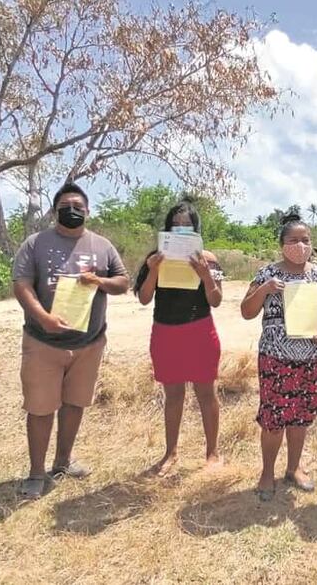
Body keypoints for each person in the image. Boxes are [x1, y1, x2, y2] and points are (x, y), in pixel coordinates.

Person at [12, 182, 129, 498]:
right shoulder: (35, 244)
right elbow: (22, 285)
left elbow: (122, 282)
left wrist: (100, 280)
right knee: (40, 408)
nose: (72, 210)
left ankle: (63, 461)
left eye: (78, 206)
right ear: (54, 211)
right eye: (65, 206)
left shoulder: (102, 245)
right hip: (43, 342)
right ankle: (36, 472)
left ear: (88, 211)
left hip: (89, 344)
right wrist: (43, 317)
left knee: (75, 403)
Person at [240, 213, 317, 500]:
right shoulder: (267, 274)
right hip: (276, 358)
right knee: (274, 418)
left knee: (301, 416)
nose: (300, 245)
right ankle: (266, 473)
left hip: (314, 357)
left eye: (305, 240)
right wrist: (265, 289)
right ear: (282, 244)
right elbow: (247, 311)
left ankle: (294, 468)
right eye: (293, 240)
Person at [134, 200, 224, 477]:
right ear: (168, 228)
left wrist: (205, 275)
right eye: (176, 225)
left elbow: (216, 300)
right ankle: (170, 453)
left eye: (187, 225)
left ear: (196, 229)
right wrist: (153, 270)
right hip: (165, 332)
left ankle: (212, 453)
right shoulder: (156, 257)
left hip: (200, 330)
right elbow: (144, 298)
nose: (181, 229)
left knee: (206, 394)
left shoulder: (208, 259)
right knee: (173, 395)